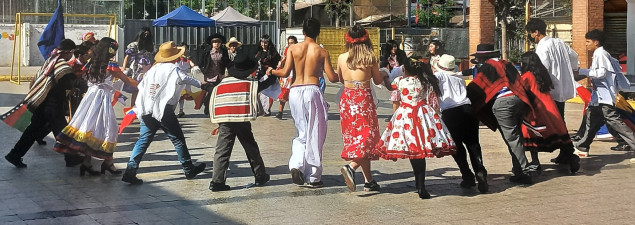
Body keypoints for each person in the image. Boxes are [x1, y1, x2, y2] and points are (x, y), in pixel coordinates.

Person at [122, 41, 207, 185]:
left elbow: (142, 87)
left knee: (143, 140)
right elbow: (188, 79)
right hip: (163, 109)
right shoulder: (174, 69)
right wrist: (203, 84)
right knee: (177, 139)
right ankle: (188, 168)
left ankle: (130, 171)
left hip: (147, 108)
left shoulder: (152, 70)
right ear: (175, 56)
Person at [268, 18, 339, 187]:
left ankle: (296, 164)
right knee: (316, 131)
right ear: (318, 32)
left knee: (302, 132)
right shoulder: (321, 52)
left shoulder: (293, 48)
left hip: (295, 90)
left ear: (303, 32)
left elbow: (285, 73)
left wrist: (272, 71)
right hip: (312, 90)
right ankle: (314, 177)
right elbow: (332, 77)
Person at [54, 37, 138, 176]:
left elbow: (83, 78)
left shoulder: (91, 63)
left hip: (89, 98)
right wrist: (143, 84)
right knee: (108, 129)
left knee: (89, 128)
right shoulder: (110, 65)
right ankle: (107, 163)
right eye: (113, 50)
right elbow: (126, 80)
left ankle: (88, 163)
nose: (114, 52)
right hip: (101, 99)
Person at [378, 59, 456, 199]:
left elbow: (390, 87)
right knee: (421, 149)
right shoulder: (424, 81)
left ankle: (419, 185)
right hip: (423, 115)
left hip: (405, 115)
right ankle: (421, 186)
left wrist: (384, 76)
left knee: (413, 149)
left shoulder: (400, 81)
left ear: (404, 70)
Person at [4, 39, 86, 168]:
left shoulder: (50, 61)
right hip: (53, 105)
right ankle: (71, 158)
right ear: (68, 52)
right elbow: (71, 83)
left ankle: (14, 155)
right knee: (63, 132)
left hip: (42, 102)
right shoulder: (63, 66)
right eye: (71, 52)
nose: (72, 55)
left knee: (33, 131)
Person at [466, 44, 536, 184]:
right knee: (516, 136)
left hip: (503, 103)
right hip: (519, 100)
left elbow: (476, 87)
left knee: (512, 138)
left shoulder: (487, 67)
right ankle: (518, 170)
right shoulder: (506, 64)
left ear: (483, 57)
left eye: (479, 58)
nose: (478, 60)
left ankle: (524, 171)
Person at [209, 54, 271, 192]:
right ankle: (260, 175)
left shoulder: (222, 83)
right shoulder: (248, 84)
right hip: (241, 118)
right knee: (250, 147)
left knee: (222, 150)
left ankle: (217, 181)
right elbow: (265, 84)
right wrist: (273, 75)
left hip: (225, 119)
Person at [335, 25, 385, 192]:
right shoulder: (370, 57)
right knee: (368, 138)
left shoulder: (342, 58)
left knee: (357, 138)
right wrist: (384, 74)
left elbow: (341, 79)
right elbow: (378, 81)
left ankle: (369, 180)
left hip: (348, 99)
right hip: (363, 98)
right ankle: (352, 166)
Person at [574, 29, 635, 157]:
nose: (586, 44)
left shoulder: (600, 54)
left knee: (616, 123)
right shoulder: (601, 54)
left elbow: (601, 73)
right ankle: (582, 147)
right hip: (599, 97)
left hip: (605, 97)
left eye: (588, 42)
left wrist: (583, 72)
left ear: (596, 42)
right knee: (592, 121)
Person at [432, 54, 488, 193]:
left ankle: (467, 175)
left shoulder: (439, 76)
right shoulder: (458, 78)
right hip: (468, 109)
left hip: (450, 113)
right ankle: (480, 172)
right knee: (473, 144)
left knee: (456, 147)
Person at [519, 52, 580, 174]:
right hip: (550, 108)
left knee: (531, 135)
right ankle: (571, 157)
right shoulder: (543, 74)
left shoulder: (526, 77)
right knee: (559, 134)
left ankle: (535, 162)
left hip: (537, 110)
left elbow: (522, 92)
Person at [525, 18, 579, 120]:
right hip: (562, 86)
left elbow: (543, 68)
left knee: (552, 118)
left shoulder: (542, 47)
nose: (530, 36)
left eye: (530, 33)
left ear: (536, 32)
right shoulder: (559, 42)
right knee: (560, 115)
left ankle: (558, 135)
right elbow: (574, 56)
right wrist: (574, 69)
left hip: (550, 88)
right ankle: (562, 134)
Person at [122, 27, 155, 107]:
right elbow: (127, 57)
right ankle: (133, 107)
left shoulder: (150, 46)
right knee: (136, 89)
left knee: (145, 89)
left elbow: (155, 56)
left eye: (148, 34)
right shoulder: (134, 45)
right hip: (136, 68)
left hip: (147, 68)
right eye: (145, 34)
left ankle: (142, 107)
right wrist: (123, 67)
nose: (146, 35)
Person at [200, 36, 230, 115]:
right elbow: (201, 63)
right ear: (212, 43)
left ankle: (215, 109)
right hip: (209, 77)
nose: (216, 44)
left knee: (218, 93)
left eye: (218, 42)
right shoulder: (207, 52)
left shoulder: (223, 51)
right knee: (210, 93)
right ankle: (207, 107)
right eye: (214, 42)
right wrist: (204, 71)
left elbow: (227, 62)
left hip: (220, 76)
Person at [256, 34, 282, 116]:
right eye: (262, 42)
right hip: (260, 74)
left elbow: (278, 62)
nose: (263, 44)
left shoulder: (273, 52)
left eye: (265, 43)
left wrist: (271, 68)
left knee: (267, 93)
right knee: (257, 91)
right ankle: (260, 109)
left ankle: (267, 110)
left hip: (270, 75)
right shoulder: (258, 51)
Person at [382, 40, 407, 122]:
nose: (394, 49)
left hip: (403, 77)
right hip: (394, 78)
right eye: (392, 47)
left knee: (404, 96)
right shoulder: (387, 57)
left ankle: (403, 114)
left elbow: (406, 64)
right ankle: (395, 114)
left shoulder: (401, 54)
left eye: (395, 47)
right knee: (395, 95)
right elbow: (382, 66)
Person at [274, 36, 298, 119]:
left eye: (292, 42)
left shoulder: (298, 50)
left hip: (294, 73)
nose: (290, 44)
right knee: (283, 92)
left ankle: (296, 112)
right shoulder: (287, 50)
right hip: (286, 73)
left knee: (293, 93)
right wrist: (280, 63)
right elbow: (284, 58)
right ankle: (280, 112)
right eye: (289, 43)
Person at [176, 42, 197, 118]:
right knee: (176, 95)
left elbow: (191, 63)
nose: (184, 50)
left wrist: (193, 66)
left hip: (185, 77)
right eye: (182, 48)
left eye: (185, 48)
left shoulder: (188, 58)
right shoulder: (176, 57)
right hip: (177, 76)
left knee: (184, 95)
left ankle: (181, 110)